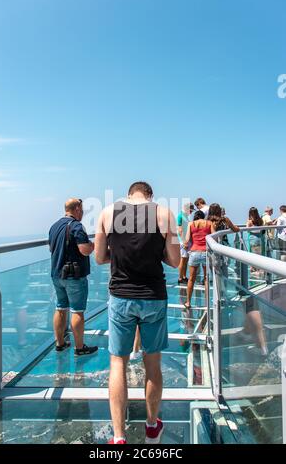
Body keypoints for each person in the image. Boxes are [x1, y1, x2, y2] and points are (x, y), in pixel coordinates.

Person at [95, 181, 180, 445]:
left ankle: (119, 437)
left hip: (120, 296)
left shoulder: (107, 213)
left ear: (129, 194)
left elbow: (99, 257)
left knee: (118, 362)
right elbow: (176, 260)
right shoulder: (164, 214)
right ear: (150, 195)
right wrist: (157, 257)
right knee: (152, 363)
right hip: (153, 296)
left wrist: (118, 257)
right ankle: (152, 426)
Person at [49, 198, 98, 356]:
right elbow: (84, 250)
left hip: (57, 274)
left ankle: (60, 343)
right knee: (77, 311)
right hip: (74, 275)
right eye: (82, 210)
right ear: (77, 209)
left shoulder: (54, 226)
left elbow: (52, 247)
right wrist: (93, 245)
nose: (83, 213)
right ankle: (79, 347)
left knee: (60, 307)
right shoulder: (76, 225)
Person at [183, 211, 215, 308]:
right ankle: (207, 303)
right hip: (206, 253)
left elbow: (187, 239)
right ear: (203, 216)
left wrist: (185, 246)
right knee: (206, 279)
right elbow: (214, 237)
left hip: (194, 253)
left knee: (191, 279)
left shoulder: (191, 224)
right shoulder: (209, 223)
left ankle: (188, 302)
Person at [176, 203, 195, 284]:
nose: (191, 212)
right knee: (182, 260)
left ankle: (184, 276)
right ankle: (180, 278)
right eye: (191, 210)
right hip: (183, 241)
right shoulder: (180, 216)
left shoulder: (186, 216)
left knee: (186, 260)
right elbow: (180, 230)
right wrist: (184, 241)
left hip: (186, 241)